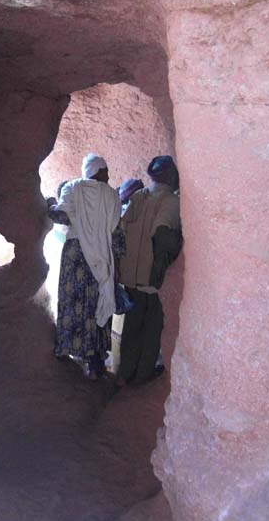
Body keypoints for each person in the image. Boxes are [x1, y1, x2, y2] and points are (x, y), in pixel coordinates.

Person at [47, 154, 124, 380]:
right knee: (96, 303)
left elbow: (61, 215)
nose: (108, 175)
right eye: (105, 170)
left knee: (73, 302)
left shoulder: (72, 187)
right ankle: (95, 363)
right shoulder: (111, 195)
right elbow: (117, 233)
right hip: (101, 256)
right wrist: (117, 264)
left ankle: (67, 349)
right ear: (97, 171)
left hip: (76, 255)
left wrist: (49, 204)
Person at [117, 155, 182, 386]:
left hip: (131, 277)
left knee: (132, 327)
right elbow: (162, 235)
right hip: (151, 278)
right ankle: (142, 376)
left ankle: (124, 374)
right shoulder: (171, 202)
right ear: (171, 176)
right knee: (151, 330)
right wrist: (178, 248)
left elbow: (121, 230)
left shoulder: (137, 195)